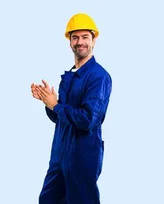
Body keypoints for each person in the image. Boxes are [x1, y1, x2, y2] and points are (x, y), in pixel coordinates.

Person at [31, 13, 112, 204]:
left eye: (85, 37)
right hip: (60, 154)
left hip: (83, 156)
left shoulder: (99, 77)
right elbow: (60, 117)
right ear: (69, 42)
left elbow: (87, 120)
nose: (80, 42)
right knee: (48, 200)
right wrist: (48, 102)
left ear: (93, 41)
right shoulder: (69, 76)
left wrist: (56, 105)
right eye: (75, 37)